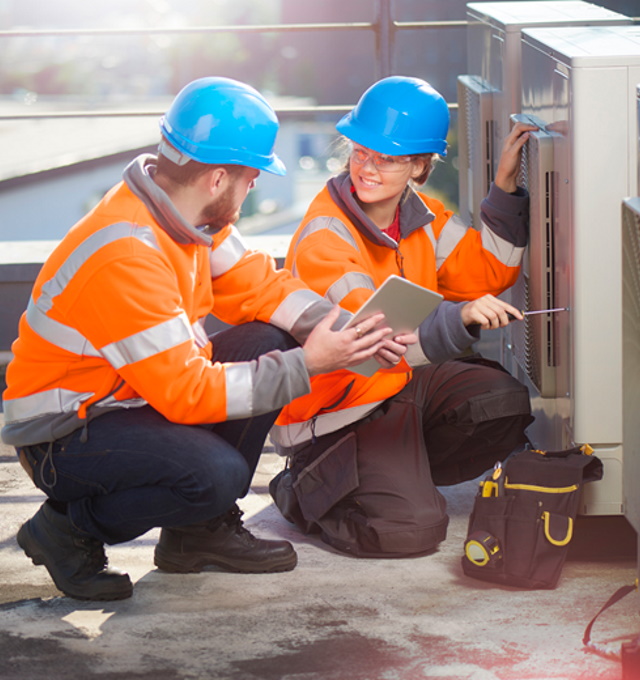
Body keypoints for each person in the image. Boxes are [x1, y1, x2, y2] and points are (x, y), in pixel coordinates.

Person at [1, 76, 398, 601]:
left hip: (124, 400)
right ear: (216, 179)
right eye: (251, 176)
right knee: (215, 474)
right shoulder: (126, 254)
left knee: (266, 339)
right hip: (64, 435)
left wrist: (343, 330)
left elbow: (260, 287)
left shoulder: (186, 216)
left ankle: (196, 535)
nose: (254, 187)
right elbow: (187, 393)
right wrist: (311, 363)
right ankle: (66, 530)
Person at [269, 75, 537, 558]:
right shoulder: (324, 238)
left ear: (418, 166)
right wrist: (459, 319)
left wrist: (504, 188)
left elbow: (488, 273)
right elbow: (372, 348)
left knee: (505, 402)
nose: (367, 168)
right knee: (408, 532)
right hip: (339, 411)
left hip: (400, 384)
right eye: (360, 152)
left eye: (387, 158)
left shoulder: (421, 217)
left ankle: (392, 474)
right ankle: (306, 487)